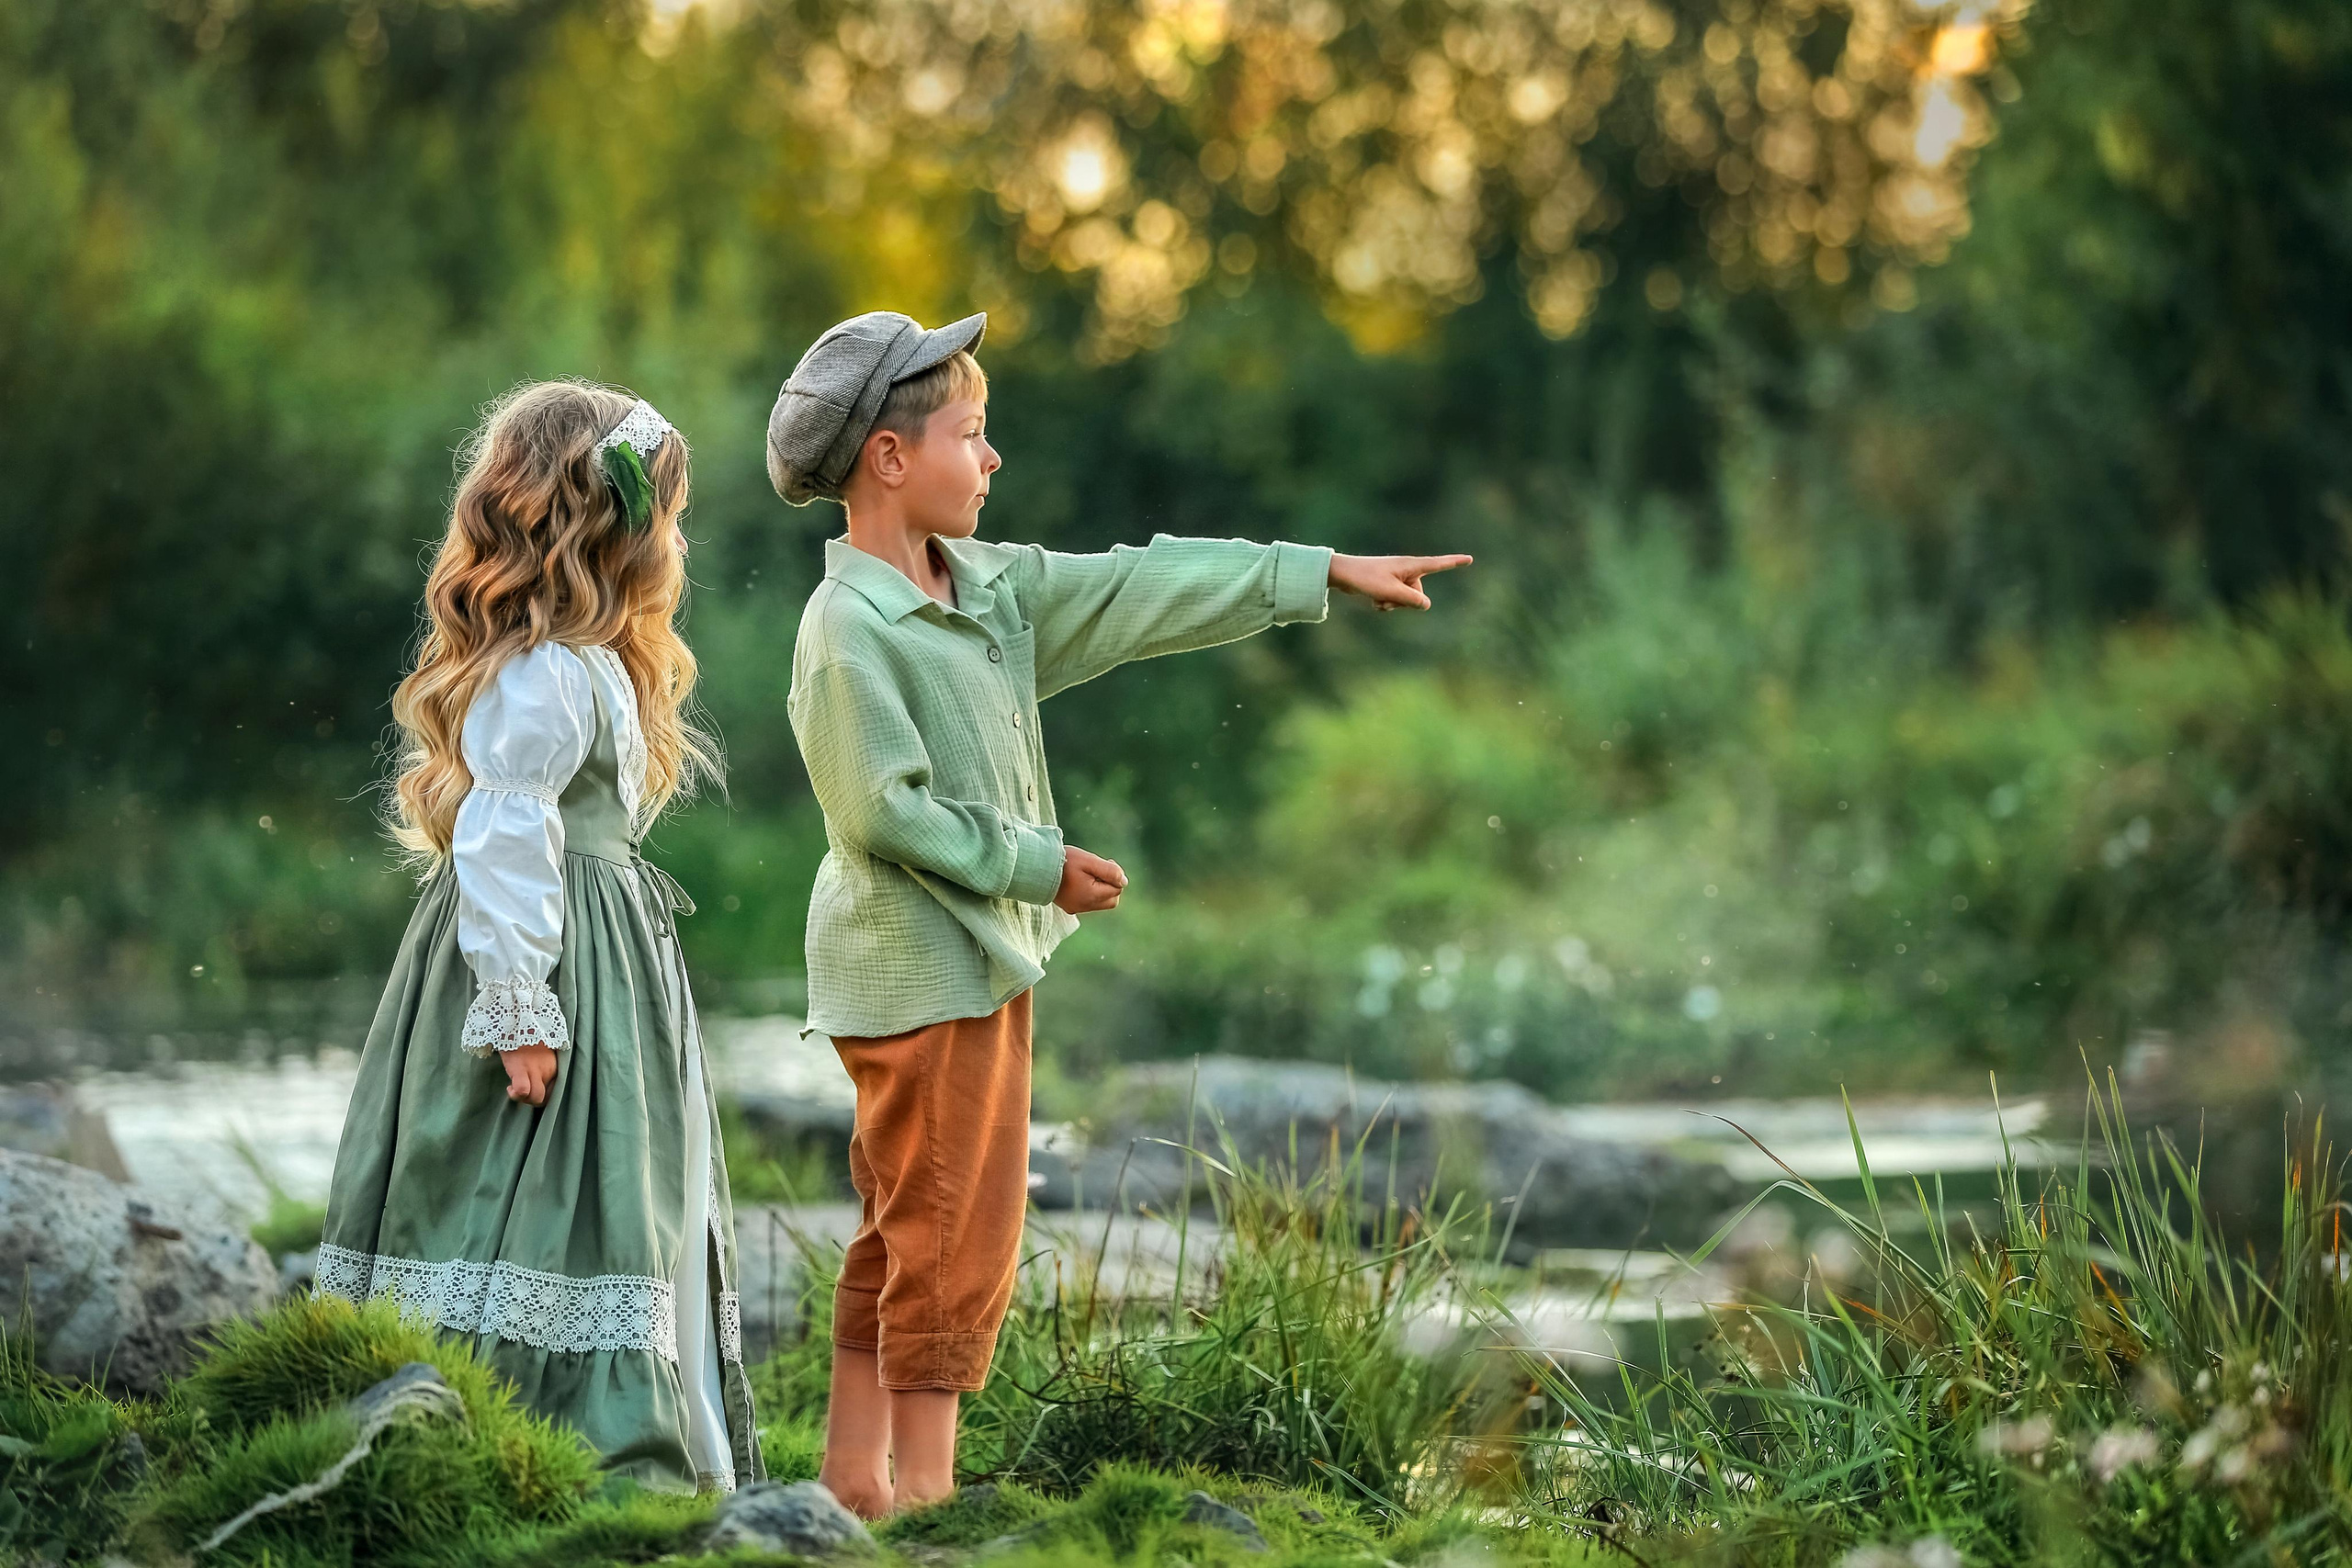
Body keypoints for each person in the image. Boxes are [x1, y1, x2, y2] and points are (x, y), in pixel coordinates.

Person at [766, 310, 1470, 1517]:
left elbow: (1143, 581)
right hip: (919, 975)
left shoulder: (988, 590)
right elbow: (883, 810)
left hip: (972, 965)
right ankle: (929, 1500)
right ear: (889, 457)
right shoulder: (848, 628)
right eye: (971, 437)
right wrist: (1038, 866)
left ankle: (854, 1481)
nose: (991, 462)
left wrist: (1320, 573)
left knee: (901, 1224)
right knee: (950, 1232)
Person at [319, 380, 762, 1495]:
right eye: (664, 508)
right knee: (534, 1177)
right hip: (547, 963)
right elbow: (504, 832)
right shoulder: (548, 675)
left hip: (605, 953)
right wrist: (517, 1006)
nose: (675, 535)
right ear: (610, 523)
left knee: (619, 1181)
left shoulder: (594, 663)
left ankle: (599, 1416)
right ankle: (537, 1428)